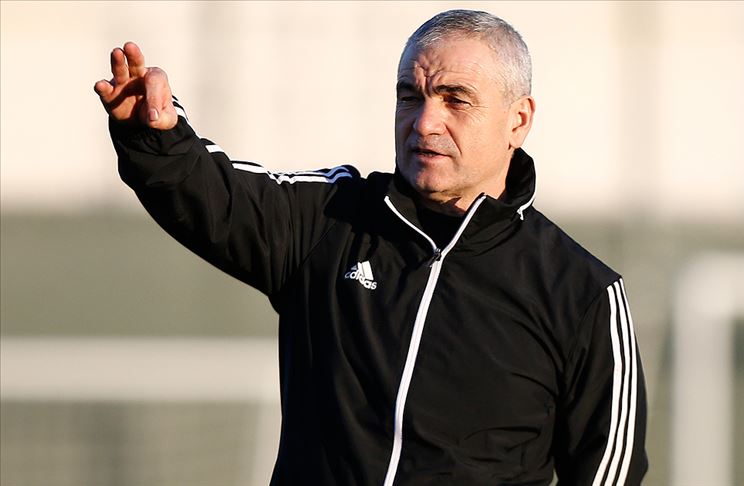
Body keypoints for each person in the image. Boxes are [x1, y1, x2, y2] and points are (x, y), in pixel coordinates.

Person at [95, 9, 647, 486]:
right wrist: (154, 136)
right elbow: (220, 196)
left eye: (456, 100)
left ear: (518, 120)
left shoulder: (582, 293)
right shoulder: (333, 219)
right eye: (411, 96)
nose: (425, 122)